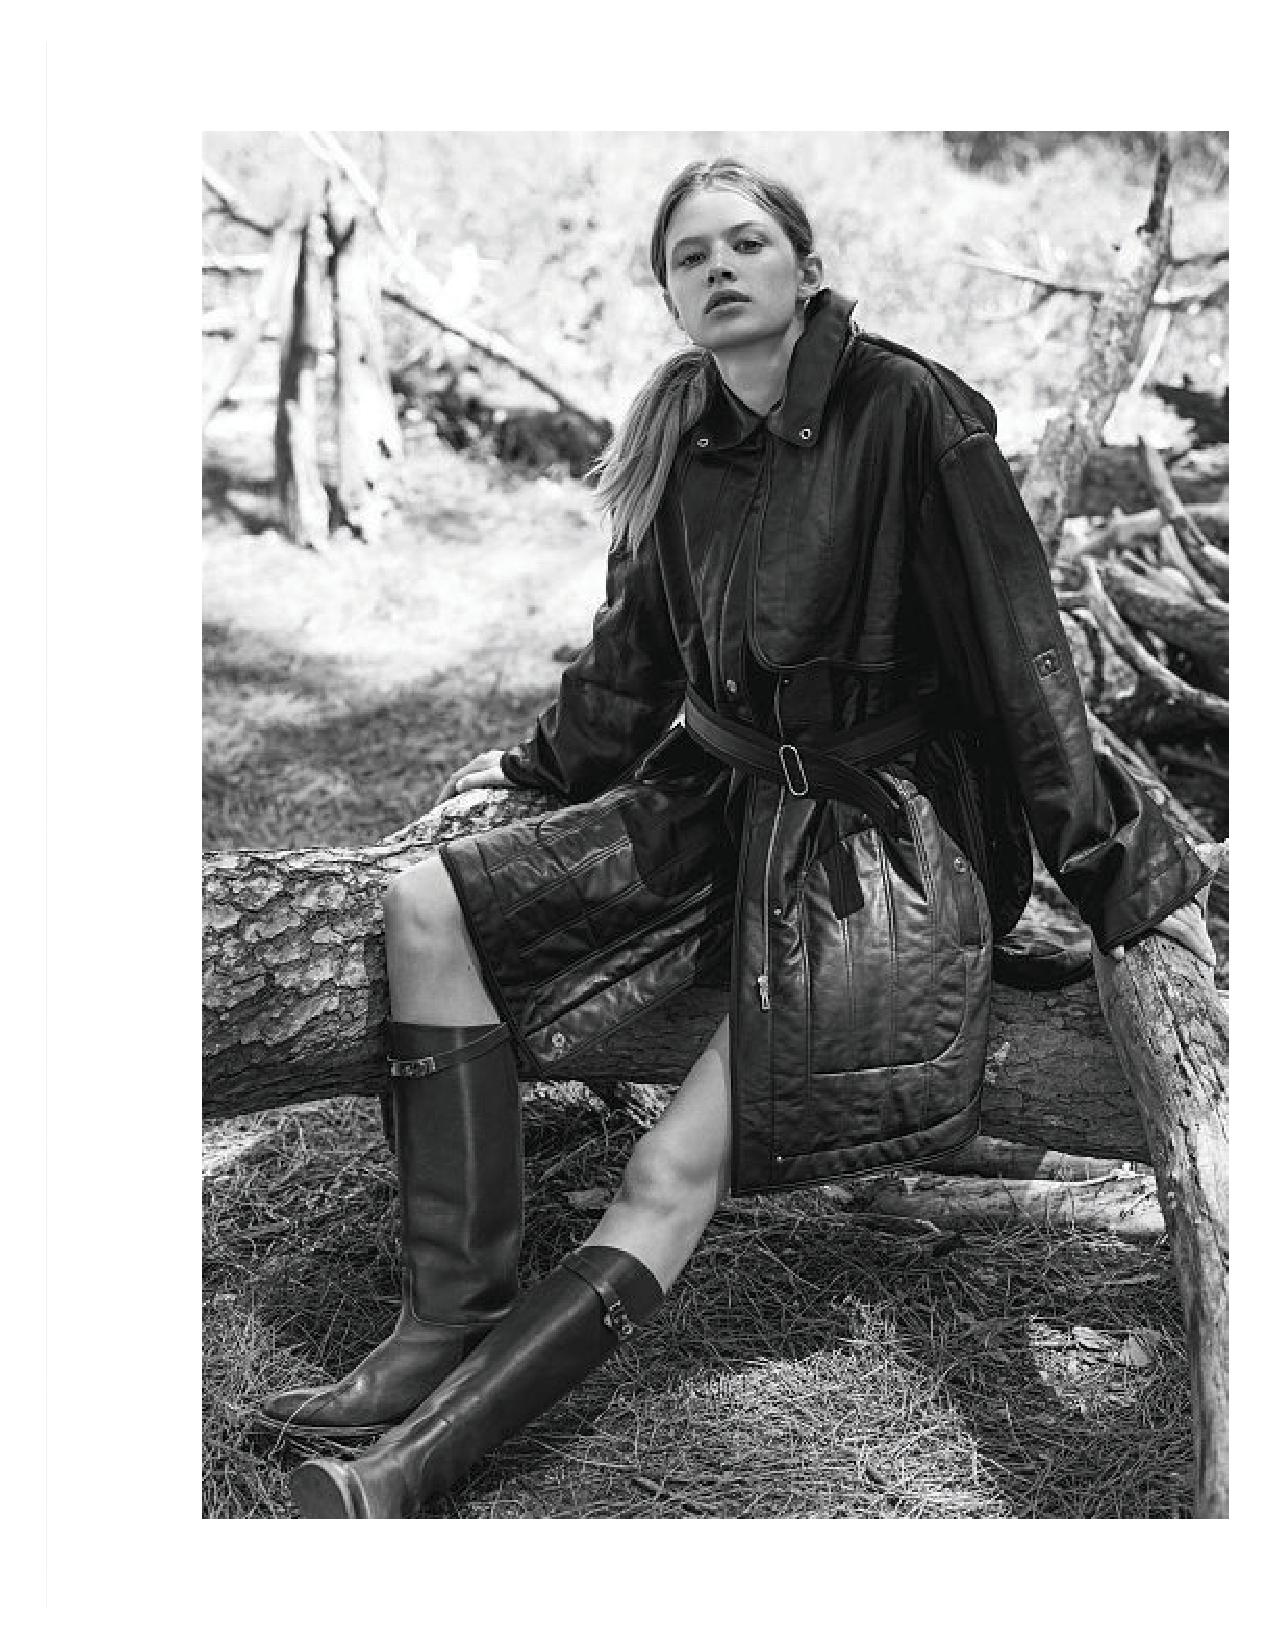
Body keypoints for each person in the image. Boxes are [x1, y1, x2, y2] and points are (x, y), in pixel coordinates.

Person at [260, 157, 1214, 1518]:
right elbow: (634, 660)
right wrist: (535, 773)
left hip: (885, 844)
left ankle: (403, 1475)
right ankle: (446, 1318)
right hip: (713, 803)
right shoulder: (681, 432)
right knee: (428, 904)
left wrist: (1112, 870)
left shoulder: (911, 410)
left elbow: (1024, 658)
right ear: (670, 294)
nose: (719, 265)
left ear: (805, 268)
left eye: (747, 242)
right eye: (689, 254)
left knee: (670, 1164)